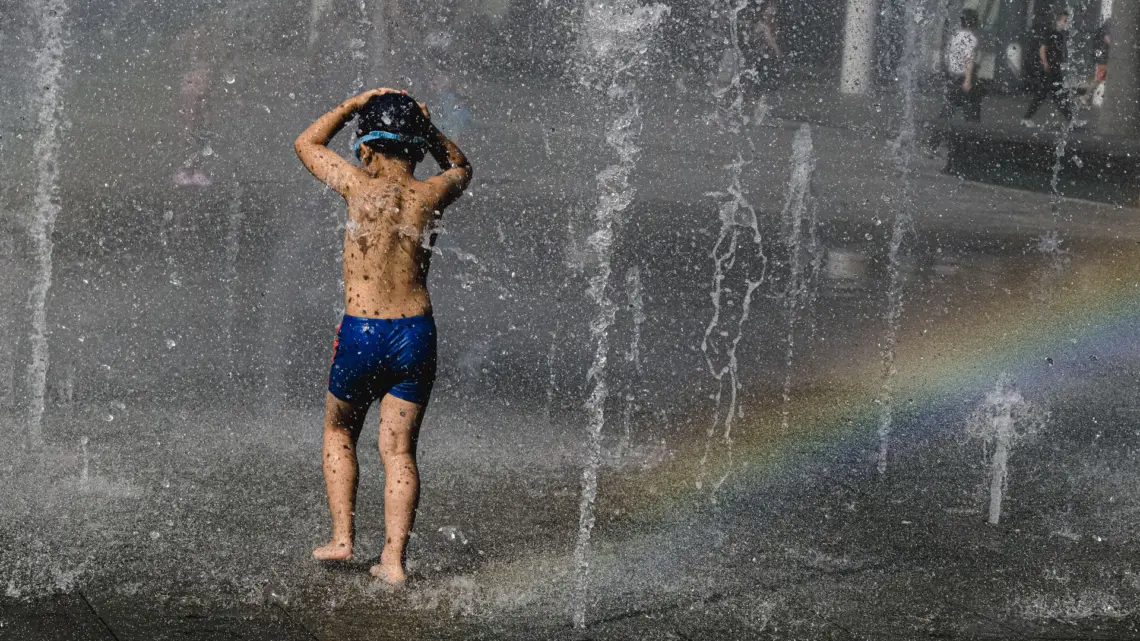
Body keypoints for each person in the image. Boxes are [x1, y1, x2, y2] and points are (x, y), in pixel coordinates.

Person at [294, 88, 472, 586]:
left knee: (338, 432)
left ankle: (342, 538)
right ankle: (393, 561)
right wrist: (429, 127)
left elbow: (306, 144)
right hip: (415, 333)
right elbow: (462, 168)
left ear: (366, 149)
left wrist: (351, 103)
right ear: (415, 148)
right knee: (397, 451)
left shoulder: (355, 186)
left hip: (362, 331)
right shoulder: (431, 193)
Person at [928, 9, 982, 153]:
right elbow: (969, 60)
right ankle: (974, 146)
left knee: (947, 112)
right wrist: (968, 80)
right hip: (964, 79)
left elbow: (950, 57)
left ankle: (933, 144)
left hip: (953, 78)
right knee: (972, 114)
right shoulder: (970, 38)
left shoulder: (955, 36)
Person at [1022, 9, 1083, 128]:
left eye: (1068, 21)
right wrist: (1045, 64)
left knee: (1058, 95)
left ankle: (1071, 119)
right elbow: (1042, 49)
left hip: (1054, 69)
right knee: (1046, 95)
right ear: (1058, 20)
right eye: (1065, 20)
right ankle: (1026, 118)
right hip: (1048, 70)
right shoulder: (1051, 33)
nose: (1067, 23)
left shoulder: (1060, 35)